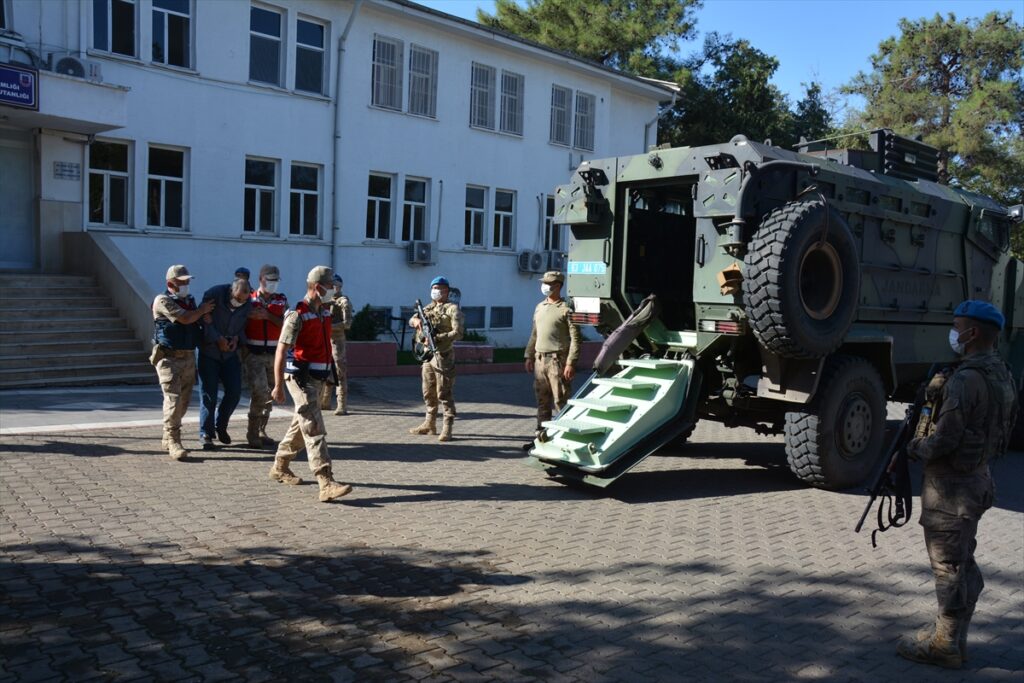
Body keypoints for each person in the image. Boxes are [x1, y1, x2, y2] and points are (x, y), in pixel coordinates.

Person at [898, 300, 1018, 669]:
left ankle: (946, 645)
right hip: (978, 479)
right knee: (960, 560)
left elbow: (944, 440)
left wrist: (915, 446)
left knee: (948, 567)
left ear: (973, 333)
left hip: (951, 488)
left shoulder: (966, 380)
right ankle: (949, 633)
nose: (953, 332)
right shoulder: (1001, 372)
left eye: (957, 325)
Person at [269, 266, 352, 503]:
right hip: (299, 378)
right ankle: (325, 481)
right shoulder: (296, 315)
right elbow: (281, 350)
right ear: (318, 287)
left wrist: (327, 374)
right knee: (313, 426)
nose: (333, 290)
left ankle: (280, 466)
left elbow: (324, 345)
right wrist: (277, 385)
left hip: (317, 378)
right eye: (330, 286)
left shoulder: (324, 313)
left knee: (300, 425)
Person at [150, 265, 214, 461]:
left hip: (187, 356)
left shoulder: (189, 301)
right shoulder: (162, 300)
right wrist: (201, 310)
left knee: (184, 402)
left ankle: (167, 435)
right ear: (171, 284)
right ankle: (174, 441)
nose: (186, 285)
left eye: (188, 281)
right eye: (182, 282)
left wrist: (205, 317)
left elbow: (196, 321)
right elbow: (185, 319)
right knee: (173, 399)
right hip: (169, 358)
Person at [525, 271, 581, 439]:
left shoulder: (567, 309)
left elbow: (576, 338)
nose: (544, 286)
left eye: (548, 284)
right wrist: (529, 355)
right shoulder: (540, 307)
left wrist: (571, 362)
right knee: (542, 400)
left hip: (558, 361)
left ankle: (565, 436)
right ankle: (541, 434)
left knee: (560, 400)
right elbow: (534, 333)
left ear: (557, 286)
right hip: (540, 360)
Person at [197, 277, 252, 450]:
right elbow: (203, 320)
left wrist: (237, 339)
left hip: (230, 354)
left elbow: (245, 325)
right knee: (209, 394)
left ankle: (221, 426)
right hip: (209, 352)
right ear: (231, 291)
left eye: (243, 300)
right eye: (237, 298)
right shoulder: (214, 294)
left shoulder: (247, 302)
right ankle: (206, 433)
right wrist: (217, 338)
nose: (239, 302)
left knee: (234, 392)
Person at [408, 276, 464, 442]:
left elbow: (459, 333)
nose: (437, 291)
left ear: (447, 291)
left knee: (444, 392)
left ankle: (447, 426)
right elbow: (412, 319)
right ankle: (429, 423)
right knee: (428, 390)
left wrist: (438, 337)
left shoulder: (453, 309)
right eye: (434, 288)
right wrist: (416, 321)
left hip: (443, 355)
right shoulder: (427, 308)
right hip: (428, 356)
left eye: (440, 288)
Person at [244, 264, 288, 448]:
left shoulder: (281, 300)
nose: (273, 284)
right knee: (259, 391)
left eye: (276, 280)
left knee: (270, 393)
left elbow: (286, 324)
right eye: (270, 280)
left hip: (274, 354)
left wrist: (268, 316)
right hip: (254, 353)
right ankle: (252, 433)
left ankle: (262, 430)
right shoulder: (250, 298)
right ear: (261, 279)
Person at [319, 273, 353, 416]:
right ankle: (324, 401)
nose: (333, 288)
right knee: (324, 370)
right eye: (330, 285)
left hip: (337, 340)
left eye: (335, 285)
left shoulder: (343, 302)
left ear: (340, 286)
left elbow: (347, 323)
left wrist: (329, 326)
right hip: (324, 339)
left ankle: (341, 404)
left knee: (339, 372)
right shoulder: (324, 299)